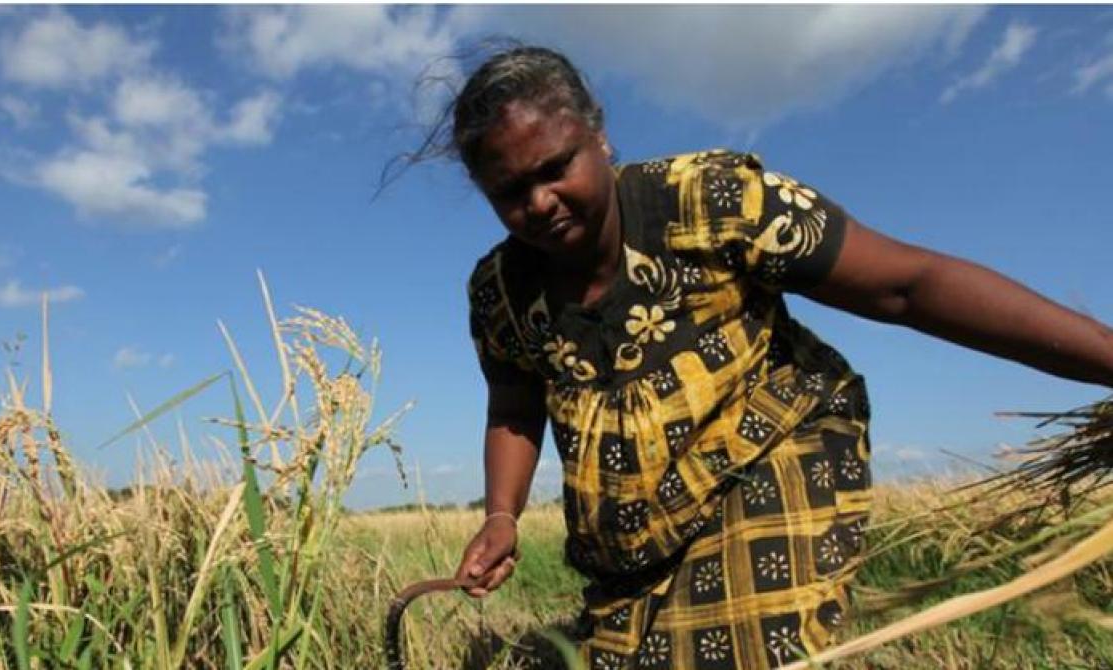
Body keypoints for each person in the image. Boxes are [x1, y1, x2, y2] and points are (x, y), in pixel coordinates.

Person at [434, 45, 1113, 669]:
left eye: (557, 168)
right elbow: (515, 406)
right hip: (639, 541)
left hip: (772, 453)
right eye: (511, 192)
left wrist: (1106, 359)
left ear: (599, 135)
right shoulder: (499, 292)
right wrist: (502, 515)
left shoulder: (712, 201)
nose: (541, 202)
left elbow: (906, 287)